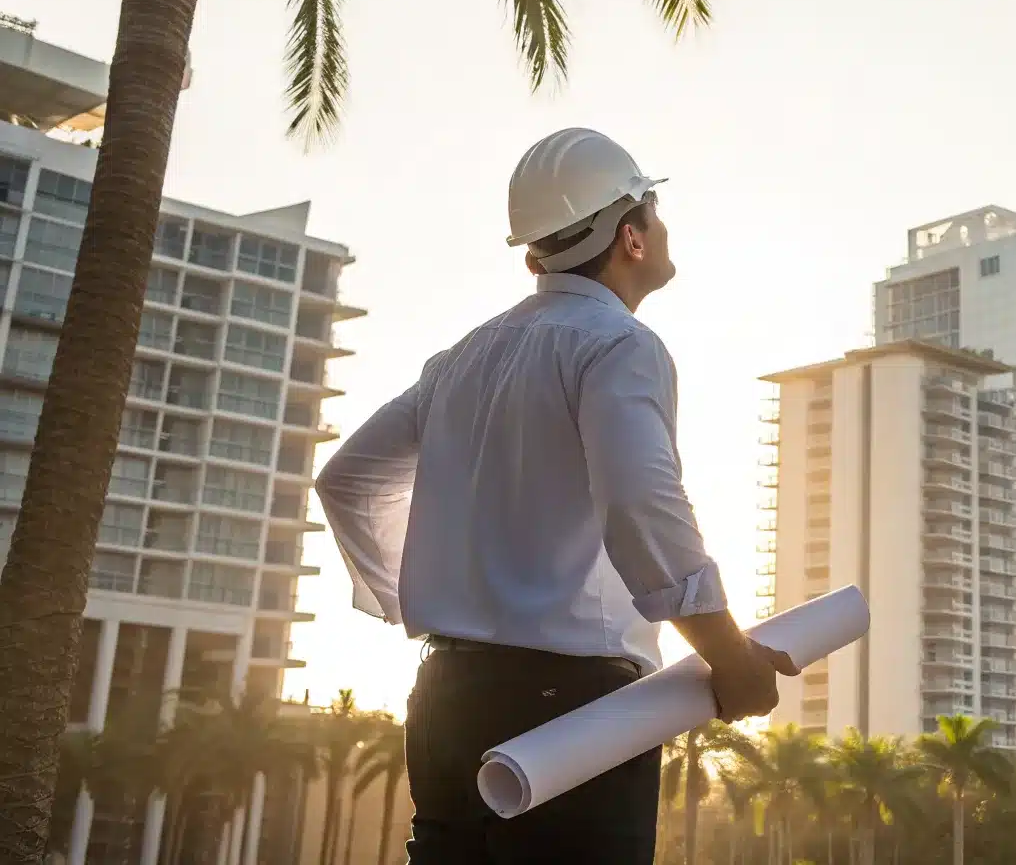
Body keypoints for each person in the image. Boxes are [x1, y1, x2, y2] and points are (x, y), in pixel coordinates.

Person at [315, 127, 796, 864]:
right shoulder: (617, 345)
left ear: (535, 254)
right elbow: (640, 504)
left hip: (447, 692)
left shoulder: (460, 359)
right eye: (655, 208)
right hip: (575, 710)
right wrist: (728, 656)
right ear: (631, 237)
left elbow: (346, 481)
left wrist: (419, 603)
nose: (663, 225)